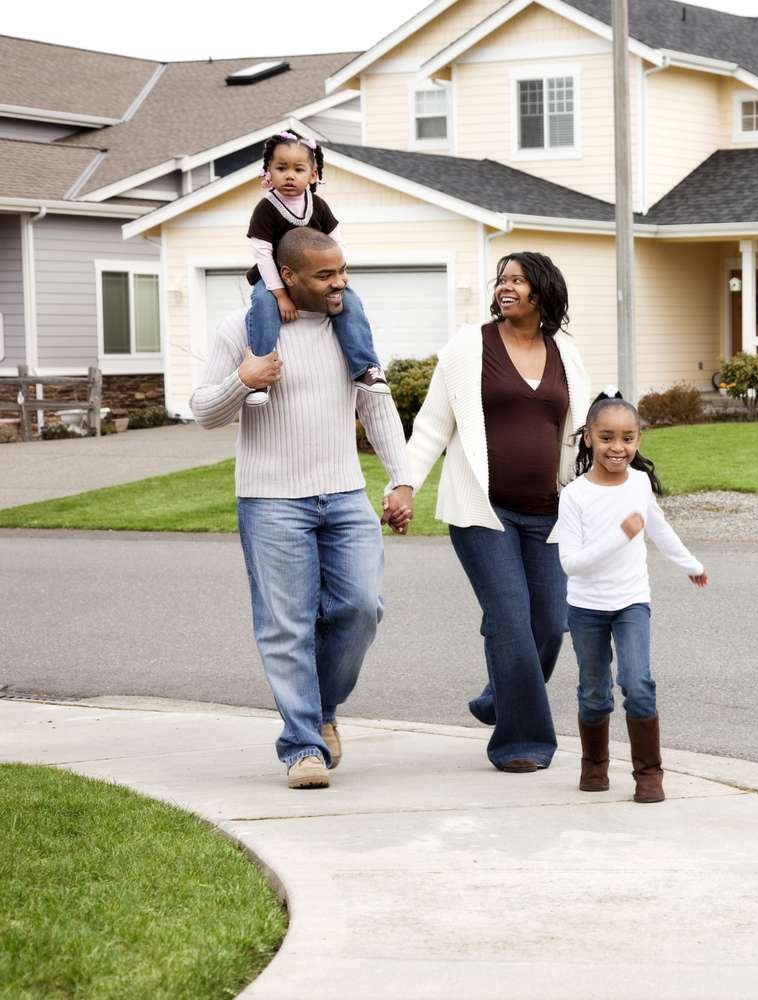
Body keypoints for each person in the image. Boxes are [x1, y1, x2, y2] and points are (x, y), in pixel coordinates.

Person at [190, 227, 414, 790]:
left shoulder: (349, 327)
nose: (340, 283)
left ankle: (320, 710)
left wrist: (402, 479)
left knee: (361, 609)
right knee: (286, 627)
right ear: (287, 276)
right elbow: (204, 411)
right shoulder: (243, 328)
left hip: (345, 494)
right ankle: (302, 746)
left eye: (342, 271)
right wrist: (243, 380)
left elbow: (376, 405)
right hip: (270, 500)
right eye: (325, 275)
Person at [403, 251, 591, 773]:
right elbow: (432, 425)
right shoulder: (469, 347)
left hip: (551, 513)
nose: (506, 287)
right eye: (501, 280)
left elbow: (580, 430)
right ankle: (520, 743)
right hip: (483, 511)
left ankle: (501, 696)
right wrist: (405, 485)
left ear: (543, 291)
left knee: (550, 624)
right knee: (510, 620)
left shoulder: (566, 353)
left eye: (518, 280)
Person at [556, 393, 708, 803]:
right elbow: (572, 564)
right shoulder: (575, 496)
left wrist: (690, 564)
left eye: (628, 438)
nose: (618, 447)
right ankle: (594, 765)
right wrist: (620, 535)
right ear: (589, 438)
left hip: (631, 603)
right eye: (607, 437)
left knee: (637, 683)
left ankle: (649, 774)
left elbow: (658, 528)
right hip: (586, 608)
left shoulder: (639, 484)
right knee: (594, 691)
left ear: (639, 439)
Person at [241, 129, 387, 406]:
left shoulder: (318, 205)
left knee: (350, 302)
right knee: (262, 304)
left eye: (298, 169)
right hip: (273, 277)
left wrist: (339, 273)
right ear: (268, 170)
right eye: (281, 168)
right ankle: (260, 375)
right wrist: (280, 295)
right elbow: (263, 255)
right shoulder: (265, 209)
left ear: (313, 174)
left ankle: (366, 368)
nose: (289, 176)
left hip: (316, 277)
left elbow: (337, 242)